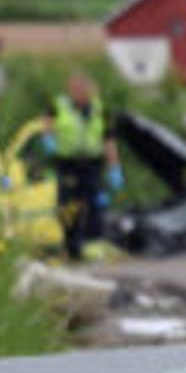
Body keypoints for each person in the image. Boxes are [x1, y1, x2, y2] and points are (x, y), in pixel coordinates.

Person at [48, 69, 116, 250]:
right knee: (68, 206)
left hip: (92, 165)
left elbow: (109, 140)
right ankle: (72, 245)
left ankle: (93, 244)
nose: (78, 92)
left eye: (82, 89)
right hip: (67, 164)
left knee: (94, 204)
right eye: (75, 88)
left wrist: (114, 167)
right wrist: (48, 139)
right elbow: (45, 122)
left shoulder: (100, 109)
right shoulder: (59, 105)